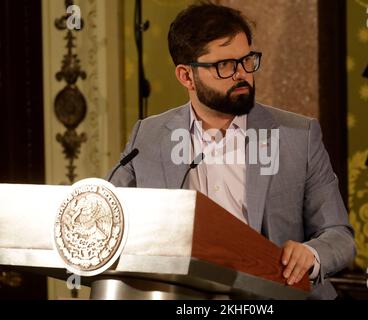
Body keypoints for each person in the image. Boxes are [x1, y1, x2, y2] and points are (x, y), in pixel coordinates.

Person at [110, 2, 355, 300]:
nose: (242, 74)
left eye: (247, 60)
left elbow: (339, 236)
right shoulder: (148, 137)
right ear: (186, 76)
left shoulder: (298, 136)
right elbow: (109, 218)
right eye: (224, 65)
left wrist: (311, 254)